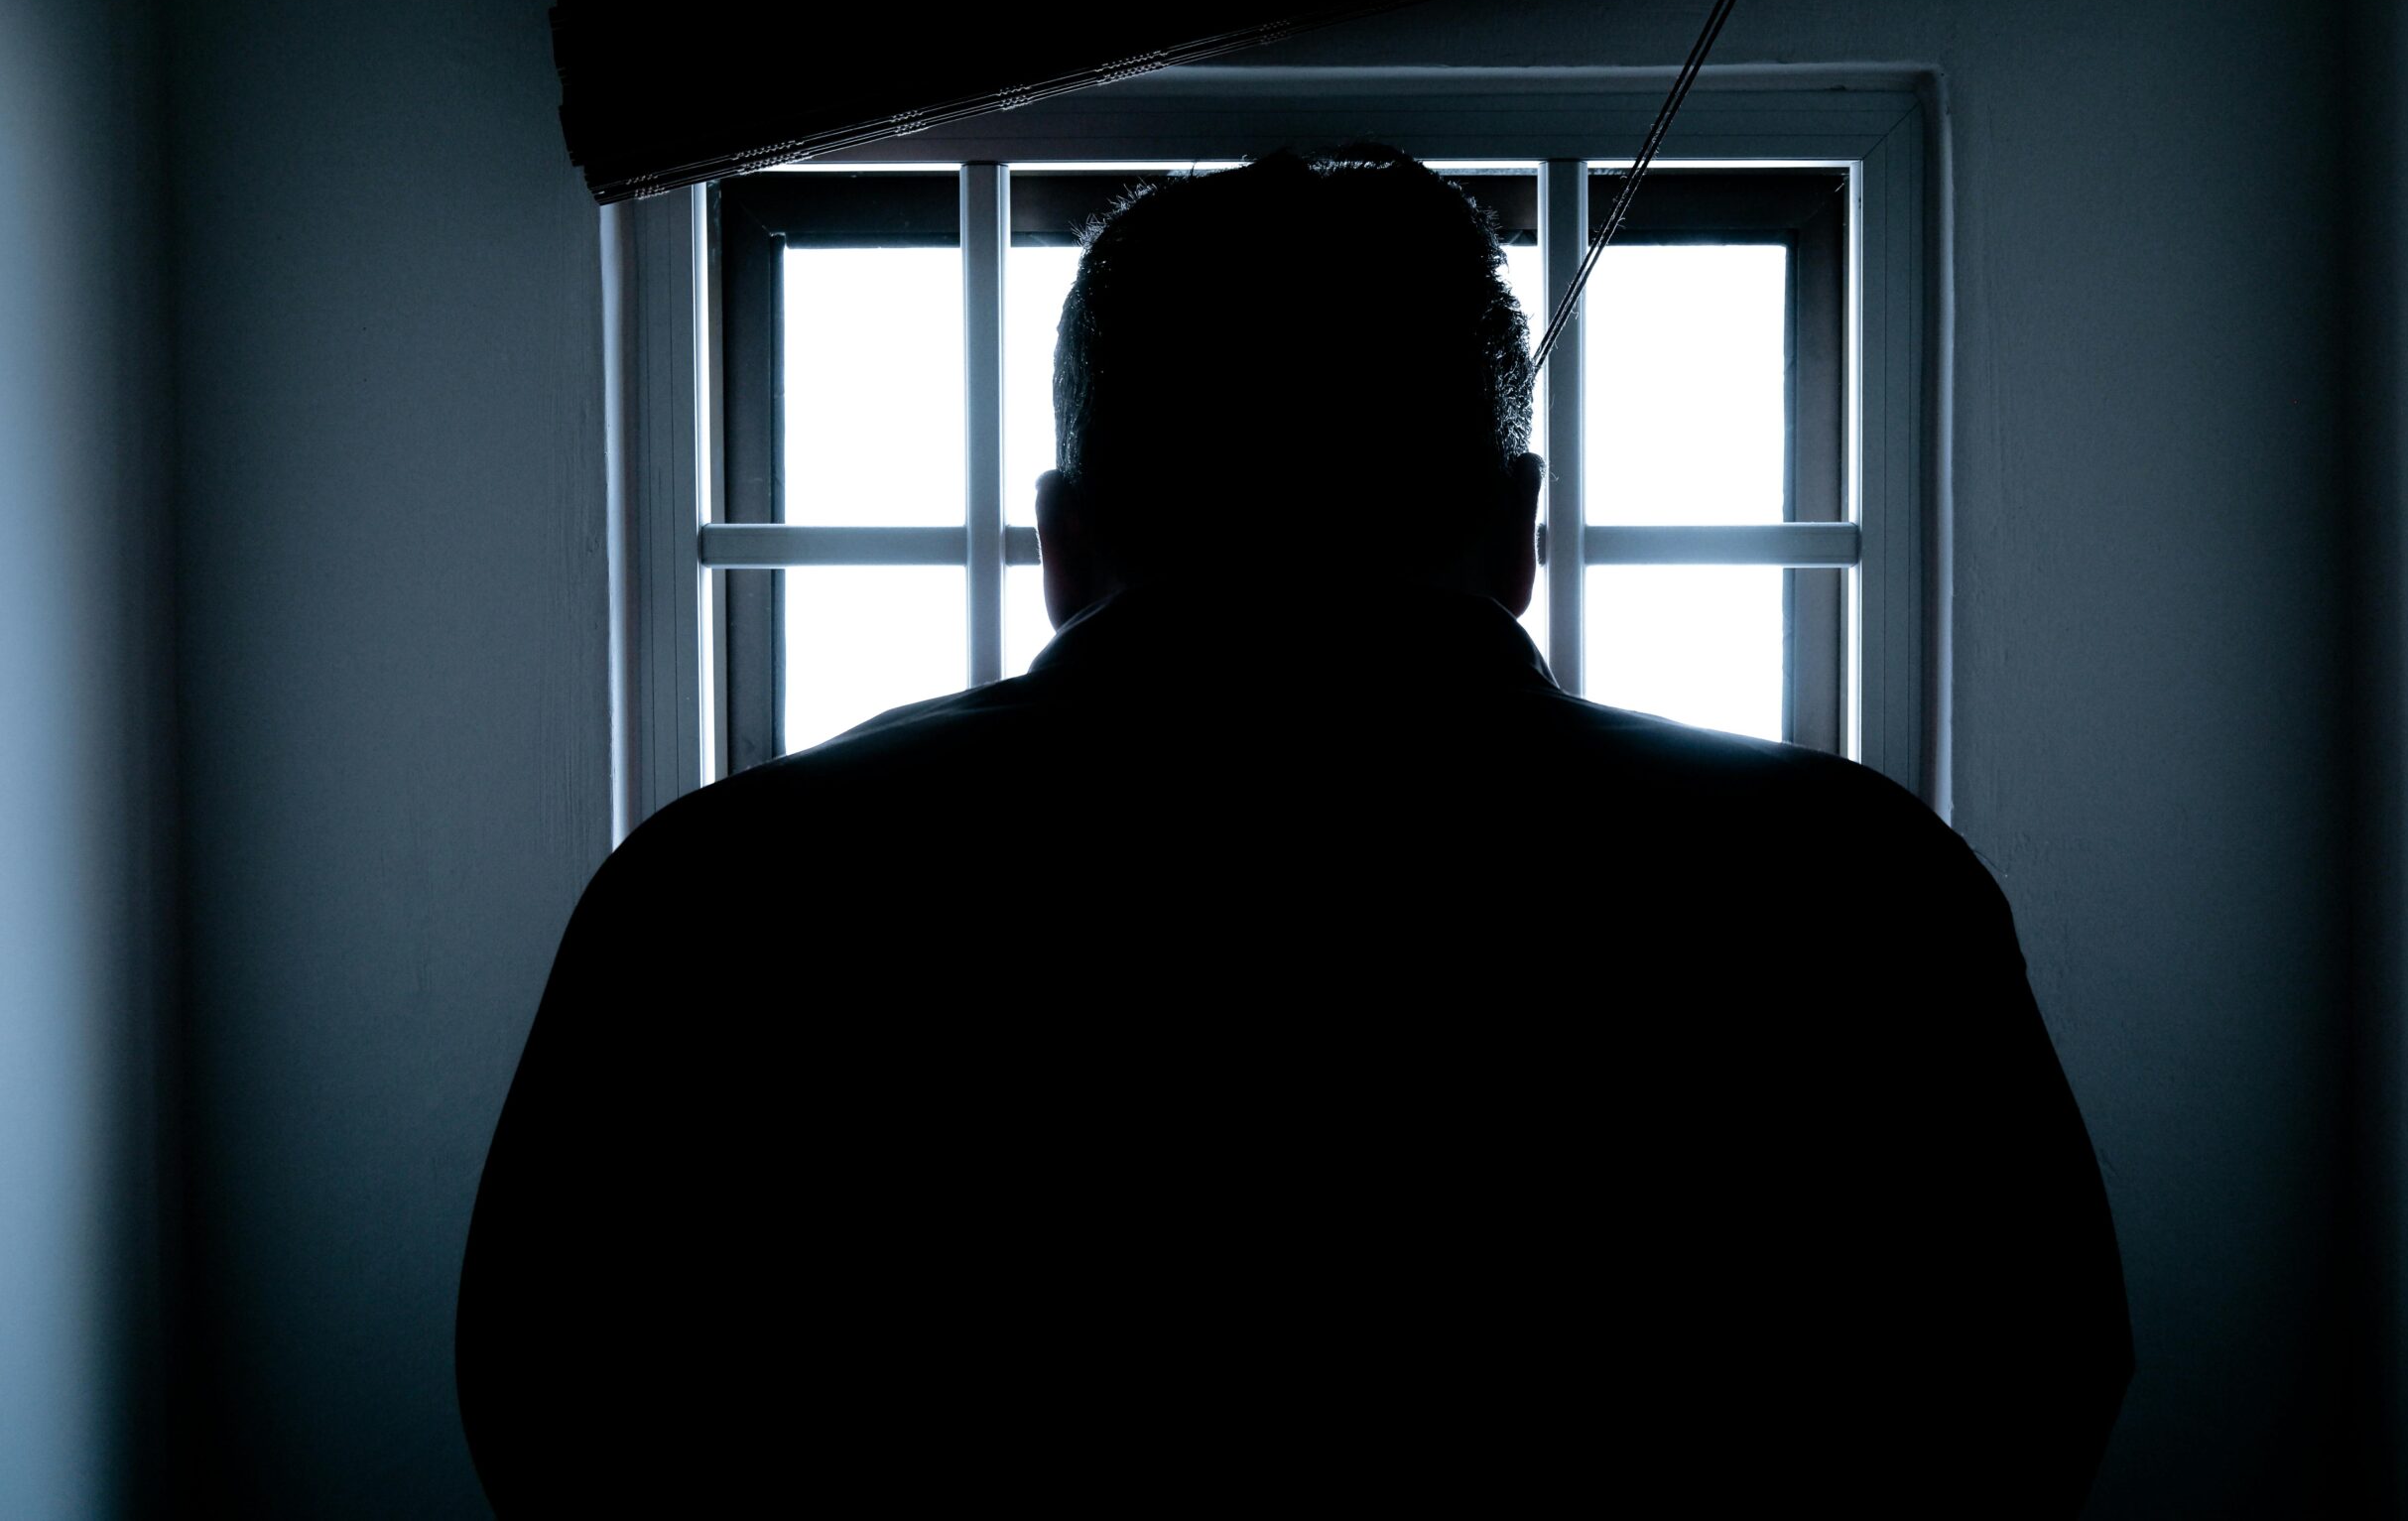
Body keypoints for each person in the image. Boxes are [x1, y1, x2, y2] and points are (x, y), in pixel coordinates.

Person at [456, 147, 2131, 1514]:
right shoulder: (1849, 891)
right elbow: (2020, 1404)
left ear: (1060, 537)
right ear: (1519, 528)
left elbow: (564, 1426)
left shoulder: (722, 899)